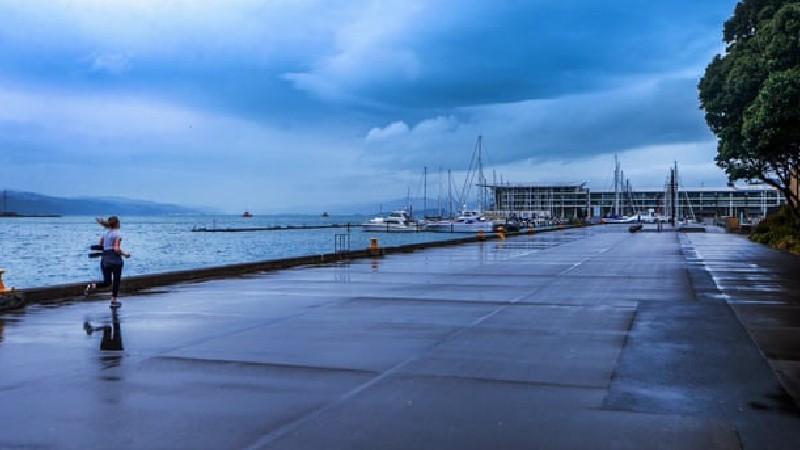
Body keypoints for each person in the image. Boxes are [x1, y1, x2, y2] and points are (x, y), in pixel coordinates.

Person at [85, 216, 131, 306]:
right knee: (116, 281)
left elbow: (101, 246)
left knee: (107, 282)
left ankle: (91, 286)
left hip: (105, 260)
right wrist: (126, 254)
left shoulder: (105, 234)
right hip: (115, 260)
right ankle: (114, 301)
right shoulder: (117, 234)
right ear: (117, 223)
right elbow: (116, 249)